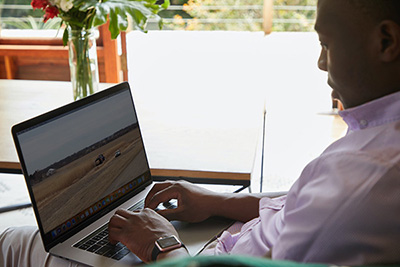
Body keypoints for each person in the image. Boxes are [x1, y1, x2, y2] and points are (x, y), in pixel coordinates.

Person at [2, 0, 400, 265]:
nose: (319, 62)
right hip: (223, 239)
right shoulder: (375, 145)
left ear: (386, 41)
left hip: (191, 260)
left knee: (14, 242)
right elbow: (302, 204)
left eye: (326, 44)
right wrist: (218, 201)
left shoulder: (368, 174)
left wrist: (162, 245)